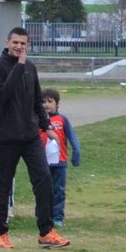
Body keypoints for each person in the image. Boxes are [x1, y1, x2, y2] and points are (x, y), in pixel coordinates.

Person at [0, 27, 69, 249]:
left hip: (31, 137)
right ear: (7, 42)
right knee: (3, 186)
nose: (19, 47)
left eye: (23, 44)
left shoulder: (30, 68)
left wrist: (46, 126)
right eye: (15, 43)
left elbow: (36, 101)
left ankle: (46, 232)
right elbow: (1, 97)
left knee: (44, 181)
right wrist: (19, 66)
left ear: (28, 45)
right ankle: (0, 233)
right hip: (6, 138)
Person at [39, 88, 81, 228]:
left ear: (57, 103)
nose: (46, 105)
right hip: (42, 162)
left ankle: (57, 216)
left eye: (50, 101)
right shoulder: (38, 120)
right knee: (42, 189)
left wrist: (76, 152)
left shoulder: (62, 120)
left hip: (60, 161)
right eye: (43, 101)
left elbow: (72, 137)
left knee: (58, 190)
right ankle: (42, 214)